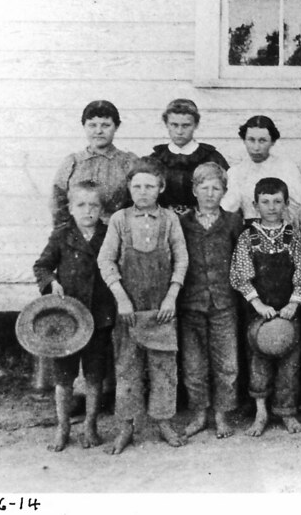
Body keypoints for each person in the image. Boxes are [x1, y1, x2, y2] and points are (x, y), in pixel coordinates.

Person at [97, 159, 188, 455]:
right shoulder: (120, 220)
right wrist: (121, 298)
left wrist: (172, 295)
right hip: (129, 309)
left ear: (161, 188)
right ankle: (126, 426)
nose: (143, 191)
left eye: (150, 186)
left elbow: (181, 259)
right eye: (137, 186)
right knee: (127, 368)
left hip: (162, 308)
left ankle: (163, 422)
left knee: (164, 368)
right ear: (129, 188)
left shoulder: (170, 219)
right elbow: (105, 260)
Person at [33, 180, 116, 452]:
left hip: (100, 316)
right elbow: (42, 266)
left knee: (94, 375)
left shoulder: (109, 233)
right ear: (70, 207)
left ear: (102, 208)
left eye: (94, 205)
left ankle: (91, 424)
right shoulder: (62, 234)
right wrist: (52, 283)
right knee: (64, 377)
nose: (88, 210)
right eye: (81, 204)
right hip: (67, 319)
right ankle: (63, 427)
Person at [231, 177, 301, 437]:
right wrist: (257, 303)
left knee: (289, 364)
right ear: (255, 204)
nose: (272, 207)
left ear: (286, 204)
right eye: (265, 202)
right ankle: (261, 412)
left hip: (289, 310)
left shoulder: (292, 235)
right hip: (259, 312)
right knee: (259, 362)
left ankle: (286, 412)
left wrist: (294, 301)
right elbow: (240, 273)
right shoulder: (248, 237)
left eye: (277, 201)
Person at [177, 163, 243, 440]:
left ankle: (222, 414)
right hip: (191, 303)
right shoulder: (182, 223)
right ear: (194, 190)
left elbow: (242, 260)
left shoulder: (232, 222)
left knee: (227, 364)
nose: (209, 193)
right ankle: (199, 414)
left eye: (216, 188)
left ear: (224, 192)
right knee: (194, 366)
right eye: (204, 187)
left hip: (224, 303)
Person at [51, 100, 138, 228]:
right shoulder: (72, 163)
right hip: (78, 237)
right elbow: (57, 203)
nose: (98, 131)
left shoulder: (128, 163)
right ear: (84, 126)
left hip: (116, 234)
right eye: (92, 125)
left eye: (105, 125)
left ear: (116, 127)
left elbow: (139, 203)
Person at [147, 99, 229, 214]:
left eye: (186, 126)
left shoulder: (212, 158)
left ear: (196, 124)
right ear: (166, 124)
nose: (179, 131)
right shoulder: (156, 158)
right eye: (174, 125)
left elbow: (225, 196)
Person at [221, 115, 301, 223]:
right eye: (251, 140)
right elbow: (227, 209)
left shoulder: (287, 168)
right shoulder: (236, 173)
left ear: (272, 142)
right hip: (248, 233)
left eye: (262, 141)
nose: (256, 147)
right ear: (244, 140)